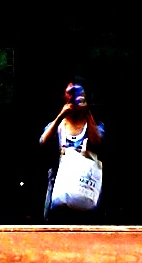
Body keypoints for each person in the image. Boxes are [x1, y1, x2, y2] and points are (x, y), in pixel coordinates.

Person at [39, 80, 104, 221]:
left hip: (85, 190)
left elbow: (97, 142)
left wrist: (87, 113)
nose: (75, 97)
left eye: (79, 93)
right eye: (71, 93)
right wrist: (60, 116)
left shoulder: (93, 124)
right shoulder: (58, 125)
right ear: (64, 97)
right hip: (59, 191)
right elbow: (43, 142)